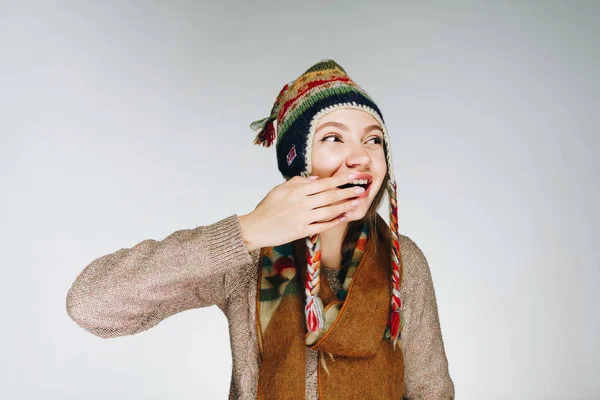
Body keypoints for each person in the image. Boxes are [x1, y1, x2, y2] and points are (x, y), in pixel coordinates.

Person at [66, 59, 455, 399]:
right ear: (297, 162)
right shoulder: (248, 258)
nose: (361, 157)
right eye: (334, 138)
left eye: (374, 140)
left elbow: (431, 393)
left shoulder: (405, 263)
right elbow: (92, 305)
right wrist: (246, 231)